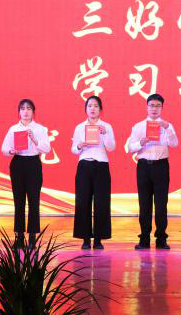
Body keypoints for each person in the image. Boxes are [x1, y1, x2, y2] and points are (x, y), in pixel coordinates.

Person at [128, 93, 178, 250]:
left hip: (161, 166)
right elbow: (130, 148)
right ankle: (144, 238)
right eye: (152, 105)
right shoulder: (138, 126)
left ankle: (161, 238)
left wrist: (167, 128)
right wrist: (141, 142)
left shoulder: (167, 126)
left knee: (161, 204)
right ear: (147, 107)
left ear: (162, 108)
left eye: (158, 106)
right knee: (144, 204)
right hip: (144, 166)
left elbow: (174, 143)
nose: (154, 109)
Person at [1, 99, 51, 249]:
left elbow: (47, 149)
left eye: (29, 108)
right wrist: (11, 150)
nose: (25, 111)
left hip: (33, 164)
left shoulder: (40, 129)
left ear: (33, 112)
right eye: (22, 109)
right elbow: (4, 149)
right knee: (19, 201)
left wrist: (34, 139)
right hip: (18, 164)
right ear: (19, 112)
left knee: (34, 201)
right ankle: (19, 237)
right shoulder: (13, 129)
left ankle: (32, 237)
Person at [71, 96, 115, 250]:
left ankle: (98, 239)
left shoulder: (106, 126)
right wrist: (79, 146)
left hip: (101, 165)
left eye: (96, 106)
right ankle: (85, 239)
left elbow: (111, 147)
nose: (93, 109)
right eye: (90, 106)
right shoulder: (79, 127)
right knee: (83, 201)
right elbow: (73, 149)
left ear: (100, 109)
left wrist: (105, 134)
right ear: (86, 109)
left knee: (101, 202)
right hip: (84, 165)